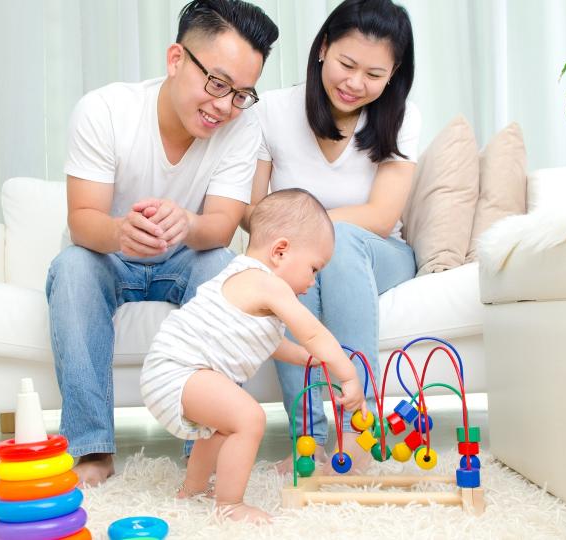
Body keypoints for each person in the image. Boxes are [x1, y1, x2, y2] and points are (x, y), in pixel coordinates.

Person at [46, 0, 278, 487]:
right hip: (108, 257)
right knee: (72, 268)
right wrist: (118, 231)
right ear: (176, 60)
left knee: (223, 264)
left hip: (186, 257)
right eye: (216, 84)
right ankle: (90, 448)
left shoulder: (243, 126)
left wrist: (188, 224)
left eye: (241, 94)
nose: (224, 106)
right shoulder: (106, 110)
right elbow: (83, 219)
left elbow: (220, 226)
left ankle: (210, 440)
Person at [243, 0, 419, 473]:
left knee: (337, 240)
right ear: (323, 48)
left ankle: (356, 430)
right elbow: (252, 211)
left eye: (374, 73)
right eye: (346, 64)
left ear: (393, 73)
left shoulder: (402, 117)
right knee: (282, 270)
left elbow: (381, 217)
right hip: (299, 257)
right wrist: (298, 245)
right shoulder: (273, 111)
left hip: (380, 254)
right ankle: (309, 442)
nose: (356, 83)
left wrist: (306, 233)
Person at [140, 188, 367, 522]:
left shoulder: (244, 279)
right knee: (249, 418)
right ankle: (229, 504)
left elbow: (268, 342)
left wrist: (306, 358)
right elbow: (314, 331)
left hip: (171, 372)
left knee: (221, 427)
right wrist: (347, 374)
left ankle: (193, 489)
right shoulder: (268, 284)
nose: (312, 281)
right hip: (178, 370)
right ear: (280, 251)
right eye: (314, 269)